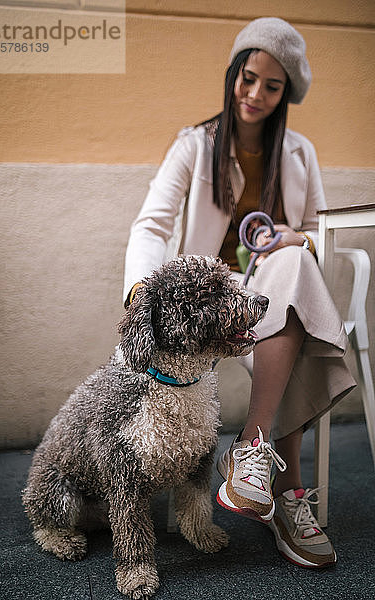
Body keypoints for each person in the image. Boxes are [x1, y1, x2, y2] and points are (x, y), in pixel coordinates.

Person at [123, 17, 355, 568]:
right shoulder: (194, 146)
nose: (255, 95)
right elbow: (151, 226)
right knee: (299, 307)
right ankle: (289, 494)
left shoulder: (299, 152)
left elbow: (320, 229)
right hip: (208, 295)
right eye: (248, 78)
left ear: (285, 94)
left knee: (295, 263)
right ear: (234, 74)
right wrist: (139, 291)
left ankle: (252, 454)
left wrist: (294, 236)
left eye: (271, 86)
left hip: (274, 285)